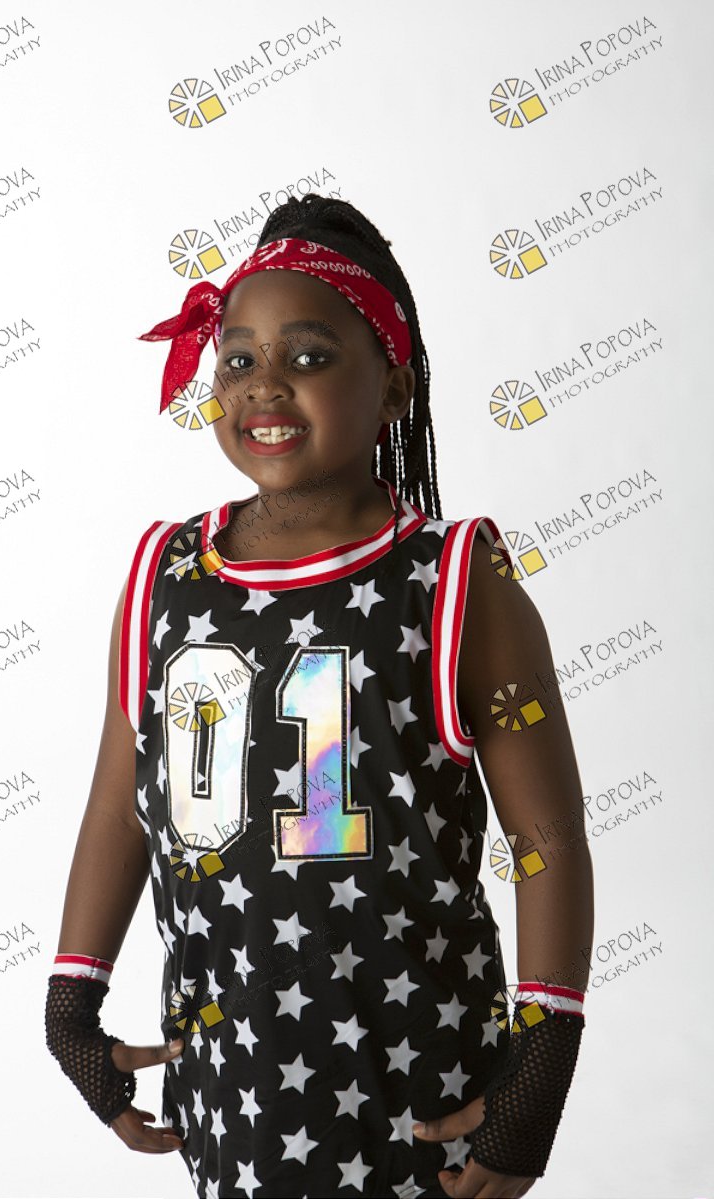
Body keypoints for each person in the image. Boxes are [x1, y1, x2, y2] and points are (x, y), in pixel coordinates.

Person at [45, 194, 594, 1199]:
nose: (264, 385)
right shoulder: (164, 573)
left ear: (393, 388)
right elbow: (119, 803)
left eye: (307, 356)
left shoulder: (455, 579)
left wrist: (542, 1063)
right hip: (232, 1089)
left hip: (422, 1088)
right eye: (238, 359)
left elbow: (545, 838)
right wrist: (70, 1001)